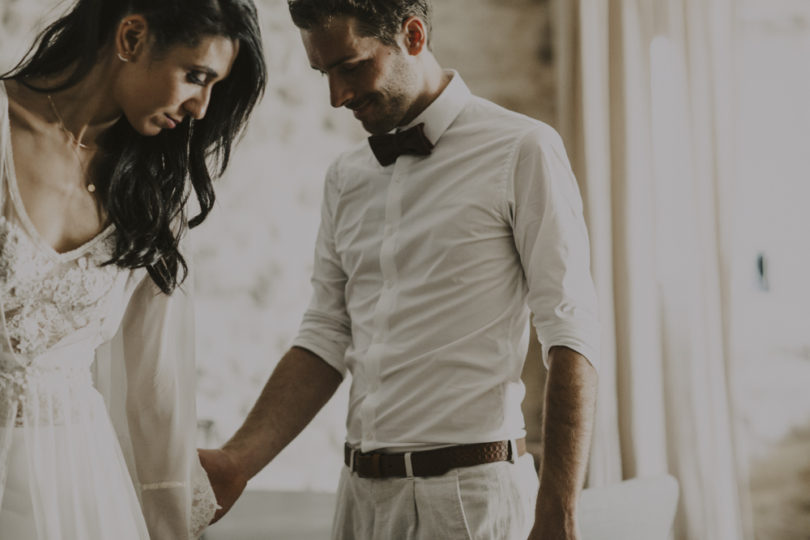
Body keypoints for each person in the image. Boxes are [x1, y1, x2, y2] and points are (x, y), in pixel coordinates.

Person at [201, 1, 599, 538]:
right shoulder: (344, 177)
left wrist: (560, 509)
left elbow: (570, 332)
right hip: (359, 500)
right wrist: (235, 462)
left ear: (413, 36)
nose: (337, 96)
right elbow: (325, 335)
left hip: (470, 502)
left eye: (352, 66)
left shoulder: (522, 149)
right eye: (324, 74)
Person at [0, 0, 266, 538]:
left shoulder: (150, 187)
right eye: (196, 76)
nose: (200, 107)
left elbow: (155, 387)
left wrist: (168, 527)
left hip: (82, 487)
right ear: (131, 38)